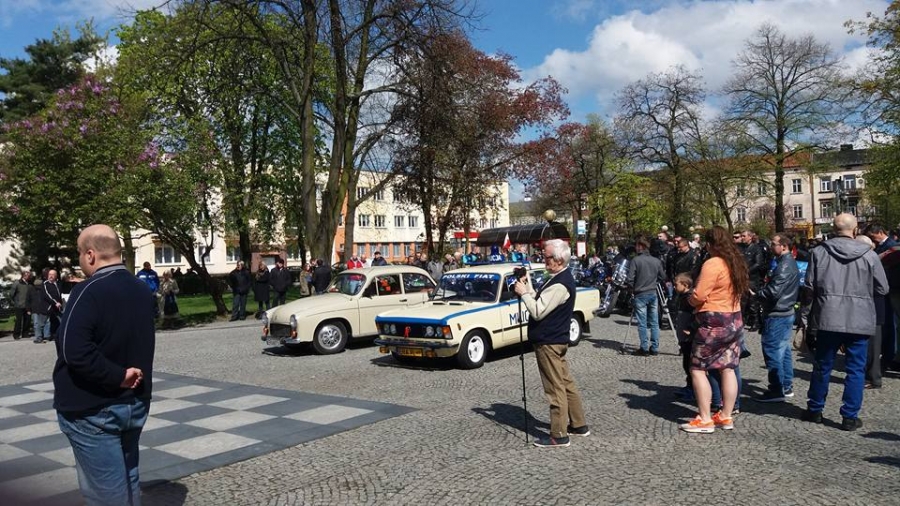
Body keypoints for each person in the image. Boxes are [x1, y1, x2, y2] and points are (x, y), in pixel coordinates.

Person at [54, 224, 155, 505]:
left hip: (94, 406)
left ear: (90, 255)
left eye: (78, 253)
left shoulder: (87, 290)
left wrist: (117, 375)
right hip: (135, 402)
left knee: (105, 493)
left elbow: (73, 350)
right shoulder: (141, 289)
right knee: (128, 479)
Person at [802, 214, 888, 431]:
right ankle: (849, 416)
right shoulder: (869, 255)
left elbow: (809, 286)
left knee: (822, 365)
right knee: (856, 369)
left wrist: (806, 316)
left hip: (828, 315)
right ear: (855, 229)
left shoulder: (819, 252)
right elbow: (882, 288)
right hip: (859, 316)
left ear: (833, 228)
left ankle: (815, 409)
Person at [513, 239, 588, 448]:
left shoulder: (560, 284)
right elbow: (541, 301)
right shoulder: (559, 277)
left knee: (555, 389)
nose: (543, 259)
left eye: (546, 257)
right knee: (566, 383)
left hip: (549, 342)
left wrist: (523, 293)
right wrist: (527, 283)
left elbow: (537, 310)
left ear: (558, 260)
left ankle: (559, 434)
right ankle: (579, 424)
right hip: (557, 339)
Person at [680, 226, 749, 434]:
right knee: (727, 367)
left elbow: (700, 295)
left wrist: (690, 300)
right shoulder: (736, 262)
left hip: (714, 319)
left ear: (710, 244)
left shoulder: (713, 263)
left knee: (698, 368)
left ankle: (705, 419)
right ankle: (726, 415)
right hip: (734, 317)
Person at [753, 233, 800, 403]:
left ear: (784, 246)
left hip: (778, 313)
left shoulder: (785, 265)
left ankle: (776, 389)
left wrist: (757, 294)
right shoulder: (784, 262)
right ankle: (785, 386)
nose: (771, 247)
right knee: (783, 350)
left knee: (773, 351)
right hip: (783, 312)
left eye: (773, 244)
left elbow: (773, 292)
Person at [626, 237, 666, 356]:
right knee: (654, 322)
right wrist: (654, 282)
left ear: (641, 247)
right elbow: (663, 277)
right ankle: (654, 348)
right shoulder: (656, 261)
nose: (635, 248)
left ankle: (644, 348)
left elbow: (630, 278)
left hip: (640, 294)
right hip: (652, 293)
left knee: (642, 323)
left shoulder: (636, 260)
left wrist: (632, 288)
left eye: (637, 246)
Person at [8, 269, 31, 340]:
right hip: (19, 305)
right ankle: (16, 334)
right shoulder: (17, 283)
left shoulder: (29, 284)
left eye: (29, 275)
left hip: (27, 305)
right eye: (27, 275)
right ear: (23, 275)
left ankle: (25, 333)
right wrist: (14, 302)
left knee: (27, 320)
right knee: (18, 321)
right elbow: (11, 294)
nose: (28, 277)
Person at [26, 277, 50, 343]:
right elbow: (27, 300)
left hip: (41, 308)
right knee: (41, 323)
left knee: (44, 323)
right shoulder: (31, 290)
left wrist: (28, 309)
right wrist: (28, 309)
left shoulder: (44, 289)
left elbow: (27, 300)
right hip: (36, 309)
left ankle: (44, 336)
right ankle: (41, 336)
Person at [43, 269, 64, 340]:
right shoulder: (45, 284)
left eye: (52, 275)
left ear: (56, 276)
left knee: (62, 320)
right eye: (49, 274)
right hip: (49, 306)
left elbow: (60, 294)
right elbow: (47, 295)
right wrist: (55, 302)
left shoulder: (58, 284)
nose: (51, 276)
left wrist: (60, 303)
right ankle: (47, 336)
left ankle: (62, 334)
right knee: (47, 321)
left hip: (58, 306)